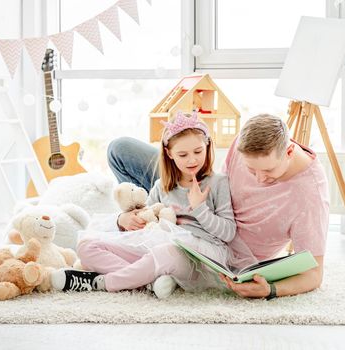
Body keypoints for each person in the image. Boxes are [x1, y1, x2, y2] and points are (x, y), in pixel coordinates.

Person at [109, 113, 329, 300]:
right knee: (120, 149)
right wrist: (134, 214)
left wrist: (271, 289)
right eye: (251, 170)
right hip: (196, 199)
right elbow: (214, 179)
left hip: (219, 251)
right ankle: (136, 214)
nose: (259, 179)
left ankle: (141, 248)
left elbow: (314, 274)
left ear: (289, 152)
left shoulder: (310, 196)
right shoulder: (246, 141)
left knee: (162, 250)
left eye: (269, 172)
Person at [51, 111, 236, 298]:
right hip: (157, 247)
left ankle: (102, 282)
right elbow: (147, 222)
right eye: (183, 154)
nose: (192, 160)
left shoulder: (218, 183)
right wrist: (127, 220)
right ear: (169, 154)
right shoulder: (161, 187)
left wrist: (200, 209)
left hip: (198, 258)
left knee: (166, 253)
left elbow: (228, 233)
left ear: (207, 146)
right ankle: (147, 281)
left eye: (198, 151)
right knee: (87, 245)